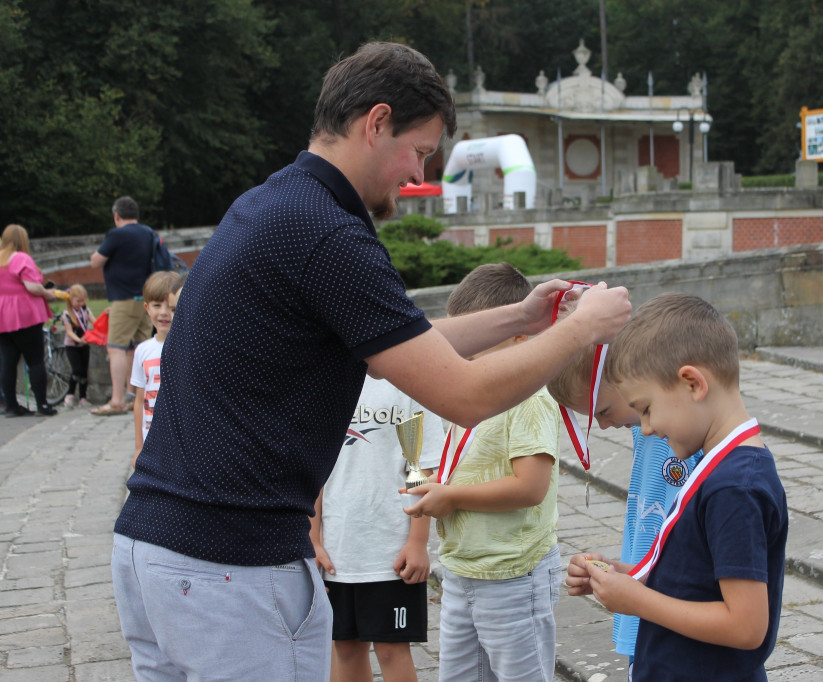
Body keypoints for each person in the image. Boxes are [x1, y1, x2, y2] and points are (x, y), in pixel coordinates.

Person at [110, 41, 630, 682]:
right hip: (230, 569)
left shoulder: (270, 205)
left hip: (151, 551)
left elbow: (397, 350)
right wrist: (581, 329)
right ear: (376, 122)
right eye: (418, 150)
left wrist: (520, 319)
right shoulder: (328, 235)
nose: (415, 176)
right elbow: (461, 395)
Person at [565, 293, 787, 682]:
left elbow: (746, 627)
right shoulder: (719, 468)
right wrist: (621, 575)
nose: (646, 428)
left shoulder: (734, 487)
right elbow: (693, 581)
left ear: (692, 383)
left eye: (647, 408)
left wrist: (639, 601)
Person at [403, 262, 562, 682]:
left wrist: (452, 497)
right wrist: (437, 487)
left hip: (513, 574)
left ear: (519, 335)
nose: (461, 355)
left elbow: (531, 487)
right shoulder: (476, 392)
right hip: (462, 570)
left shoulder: (529, 398)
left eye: (475, 346)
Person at [548, 347, 701, 678]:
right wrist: (618, 571)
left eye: (602, 411)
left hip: (680, 616)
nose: (602, 426)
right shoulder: (642, 429)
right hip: (642, 598)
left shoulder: (683, 436)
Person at [309, 377, 444, 682]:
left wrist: (417, 541)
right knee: (344, 646)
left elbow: (419, 468)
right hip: (337, 550)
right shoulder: (326, 379)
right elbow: (313, 470)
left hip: (390, 551)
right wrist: (313, 539)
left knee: (390, 648)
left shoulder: (409, 384)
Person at [90, 196, 155, 416]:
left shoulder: (117, 234)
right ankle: (133, 395)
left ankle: (117, 400)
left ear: (117, 216)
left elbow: (96, 261)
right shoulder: (148, 232)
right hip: (144, 299)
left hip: (124, 299)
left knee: (116, 347)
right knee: (137, 349)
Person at [0, 224, 58, 417]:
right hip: (24, 313)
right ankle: (42, 405)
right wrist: (46, 292)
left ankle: (11, 405)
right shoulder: (21, 258)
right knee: (35, 360)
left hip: (3, 315)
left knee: (8, 361)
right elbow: (32, 287)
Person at [129, 271, 183, 468]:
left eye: (170, 307)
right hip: (152, 435)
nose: (163, 313)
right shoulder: (142, 351)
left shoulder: (186, 345)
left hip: (180, 434)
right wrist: (138, 446)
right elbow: (138, 400)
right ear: (147, 308)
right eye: (156, 305)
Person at [60, 283, 97, 408]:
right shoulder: (66, 314)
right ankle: (69, 395)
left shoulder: (85, 310)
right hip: (72, 346)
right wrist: (78, 339)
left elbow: (95, 322)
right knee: (76, 370)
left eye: (83, 300)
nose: (81, 303)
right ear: (70, 300)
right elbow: (69, 331)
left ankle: (83, 397)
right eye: (78, 301)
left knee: (84, 372)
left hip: (84, 345)